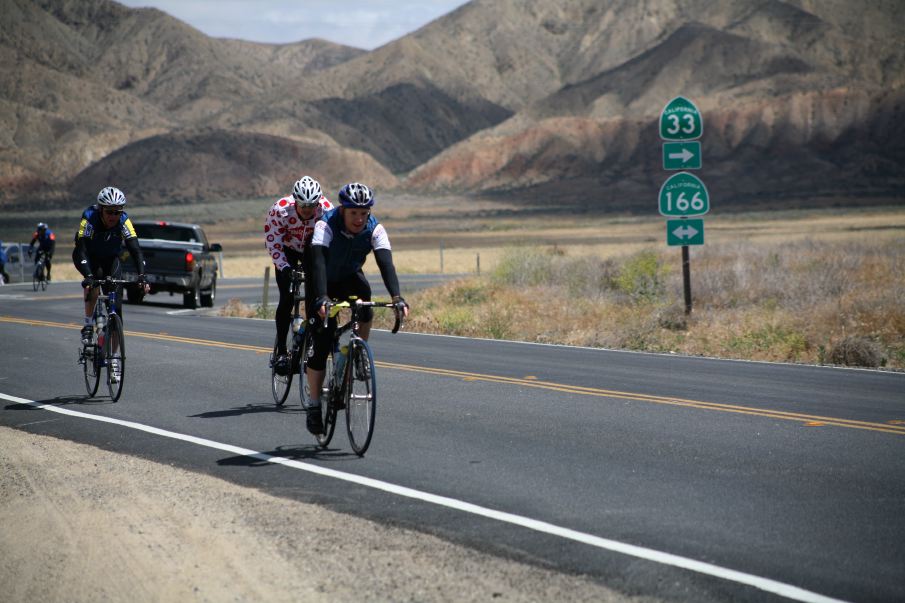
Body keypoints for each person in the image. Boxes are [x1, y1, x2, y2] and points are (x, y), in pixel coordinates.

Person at [304, 182, 409, 435]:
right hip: (321, 281)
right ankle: (314, 405)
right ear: (343, 210)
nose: (360, 219)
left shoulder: (375, 229)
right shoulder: (325, 225)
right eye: (354, 213)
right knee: (322, 341)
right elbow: (317, 263)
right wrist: (321, 299)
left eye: (364, 213)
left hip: (350, 275)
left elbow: (386, 264)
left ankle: (358, 353)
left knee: (365, 301)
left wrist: (397, 297)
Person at [72, 186, 150, 382]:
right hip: (88, 257)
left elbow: (136, 250)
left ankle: (114, 358)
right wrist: (88, 275)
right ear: (101, 209)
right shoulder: (89, 217)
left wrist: (142, 276)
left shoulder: (124, 221)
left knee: (117, 314)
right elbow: (81, 248)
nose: (114, 216)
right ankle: (89, 324)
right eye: (109, 212)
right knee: (93, 282)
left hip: (111, 260)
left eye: (118, 211)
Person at [265, 176, 334, 376]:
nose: (307, 209)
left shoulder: (326, 210)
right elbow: (273, 243)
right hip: (287, 250)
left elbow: (330, 244)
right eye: (303, 205)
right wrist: (285, 268)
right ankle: (281, 351)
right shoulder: (279, 210)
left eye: (311, 205)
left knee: (316, 296)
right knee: (286, 298)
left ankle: (310, 339)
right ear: (295, 201)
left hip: (311, 249)